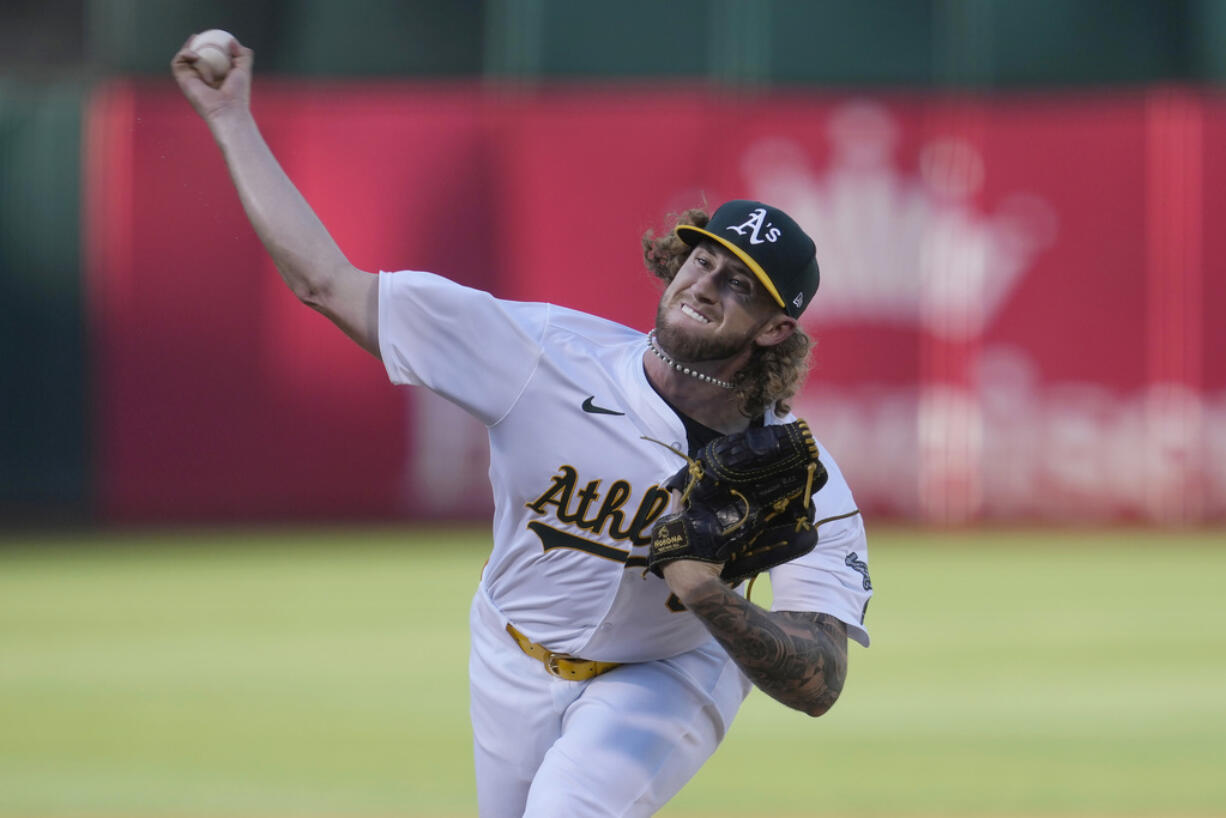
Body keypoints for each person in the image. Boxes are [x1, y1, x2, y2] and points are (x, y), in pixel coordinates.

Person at [172, 34, 872, 818]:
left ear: (776, 330)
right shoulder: (541, 355)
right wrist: (231, 118)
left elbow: (822, 682)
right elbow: (326, 283)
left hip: (669, 674)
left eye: (741, 286)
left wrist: (711, 597)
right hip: (509, 653)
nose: (706, 285)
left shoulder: (799, 478)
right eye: (703, 260)